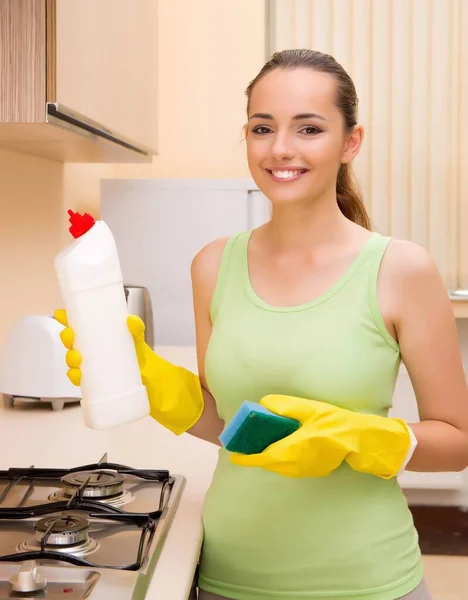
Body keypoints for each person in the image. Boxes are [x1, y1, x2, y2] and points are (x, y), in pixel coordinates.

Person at [55, 49, 468, 600]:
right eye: (262, 127)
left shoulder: (400, 269)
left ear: (351, 142)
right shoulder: (213, 264)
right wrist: (152, 383)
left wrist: (365, 438)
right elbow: (229, 423)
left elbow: (459, 442)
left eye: (309, 128)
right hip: (229, 578)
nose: (280, 149)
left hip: (369, 584)